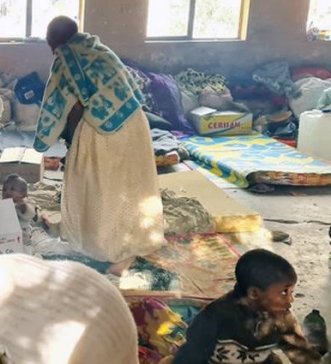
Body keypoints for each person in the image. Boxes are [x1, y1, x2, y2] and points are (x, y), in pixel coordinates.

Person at [34, 16, 165, 272]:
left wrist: (54, 140)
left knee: (97, 186)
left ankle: (102, 245)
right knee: (130, 183)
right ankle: (137, 238)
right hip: (135, 122)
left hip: (103, 131)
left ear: (54, 41)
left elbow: (58, 106)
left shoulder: (66, 60)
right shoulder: (100, 50)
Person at [171, 249, 322, 364]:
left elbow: (303, 356)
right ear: (254, 293)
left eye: (291, 292)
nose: (290, 299)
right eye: (284, 292)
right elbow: (190, 355)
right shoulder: (215, 316)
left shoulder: (283, 318)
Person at [2, 174, 37, 244]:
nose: (7, 192)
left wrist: (23, 206)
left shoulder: (26, 203)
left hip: (22, 237)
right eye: (4, 189)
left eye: (12, 189)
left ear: (22, 194)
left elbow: (30, 214)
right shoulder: (3, 203)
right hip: (6, 236)